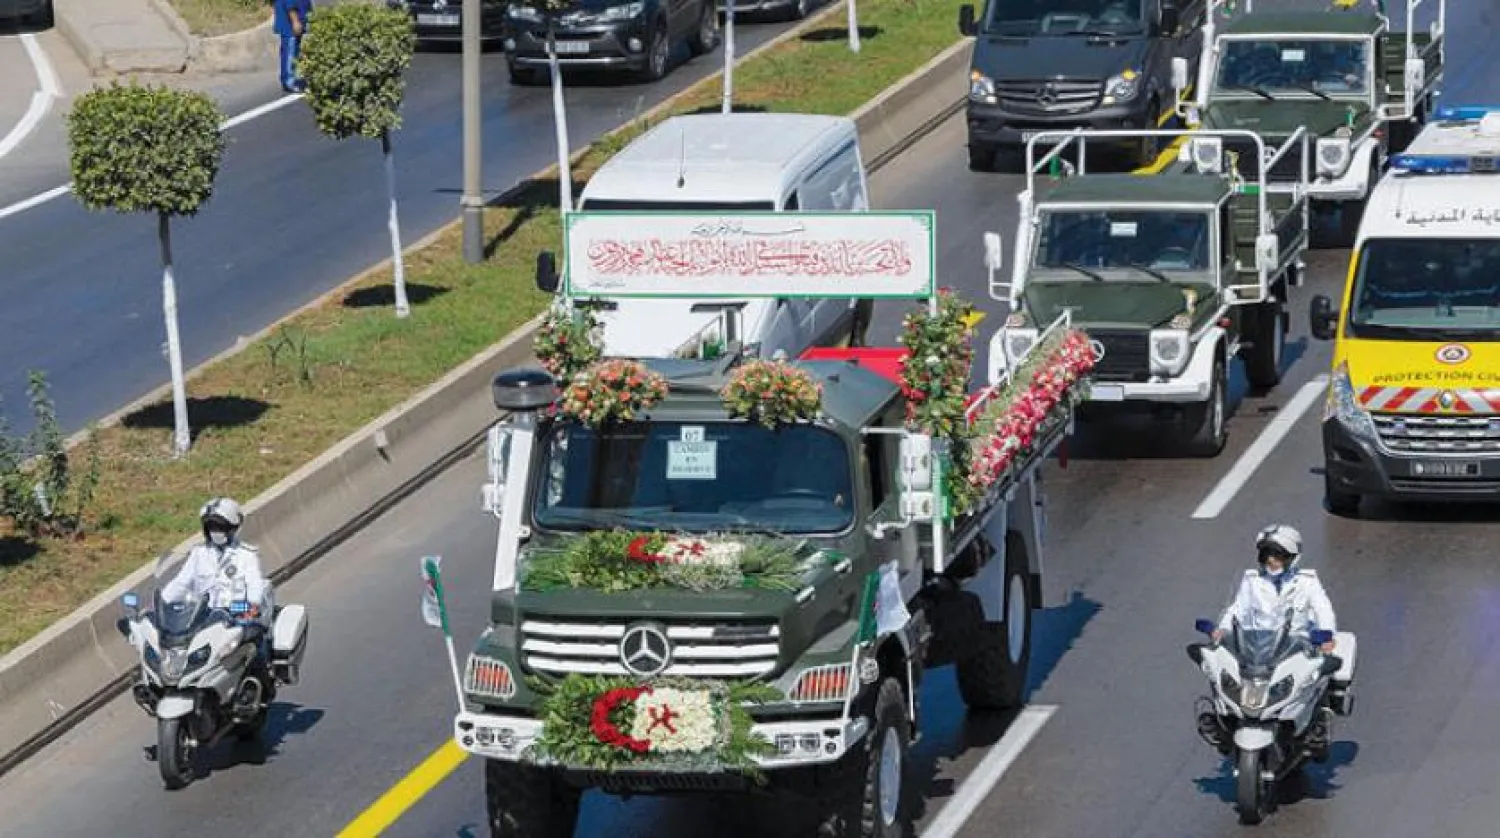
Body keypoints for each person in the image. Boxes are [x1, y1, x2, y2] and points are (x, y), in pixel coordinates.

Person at [160, 498, 273, 668]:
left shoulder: (246, 555)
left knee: (254, 650)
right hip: (202, 619)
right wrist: (161, 605)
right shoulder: (198, 554)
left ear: (231, 528)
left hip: (235, 617)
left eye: (220, 527)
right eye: (211, 527)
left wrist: (247, 607)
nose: (215, 532)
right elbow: (180, 584)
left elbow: (255, 586)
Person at [1212, 524, 1336, 652]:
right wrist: (1223, 629)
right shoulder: (1252, 580)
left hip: (1295, 648)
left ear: (1292, 557)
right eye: (1265, 554)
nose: (1270, 560)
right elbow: (1237, 609)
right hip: (1258, 649)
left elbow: (1323, 610)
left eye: (1278, 555)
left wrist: (1327, 635)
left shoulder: (1307, 581)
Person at [273, 0, 312, 93]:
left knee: (294, 52)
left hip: (295, 22)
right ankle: (289, 81)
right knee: (289, 54)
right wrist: (295, 21)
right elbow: (289, 3)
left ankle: (293, 78)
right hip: (289, 25)